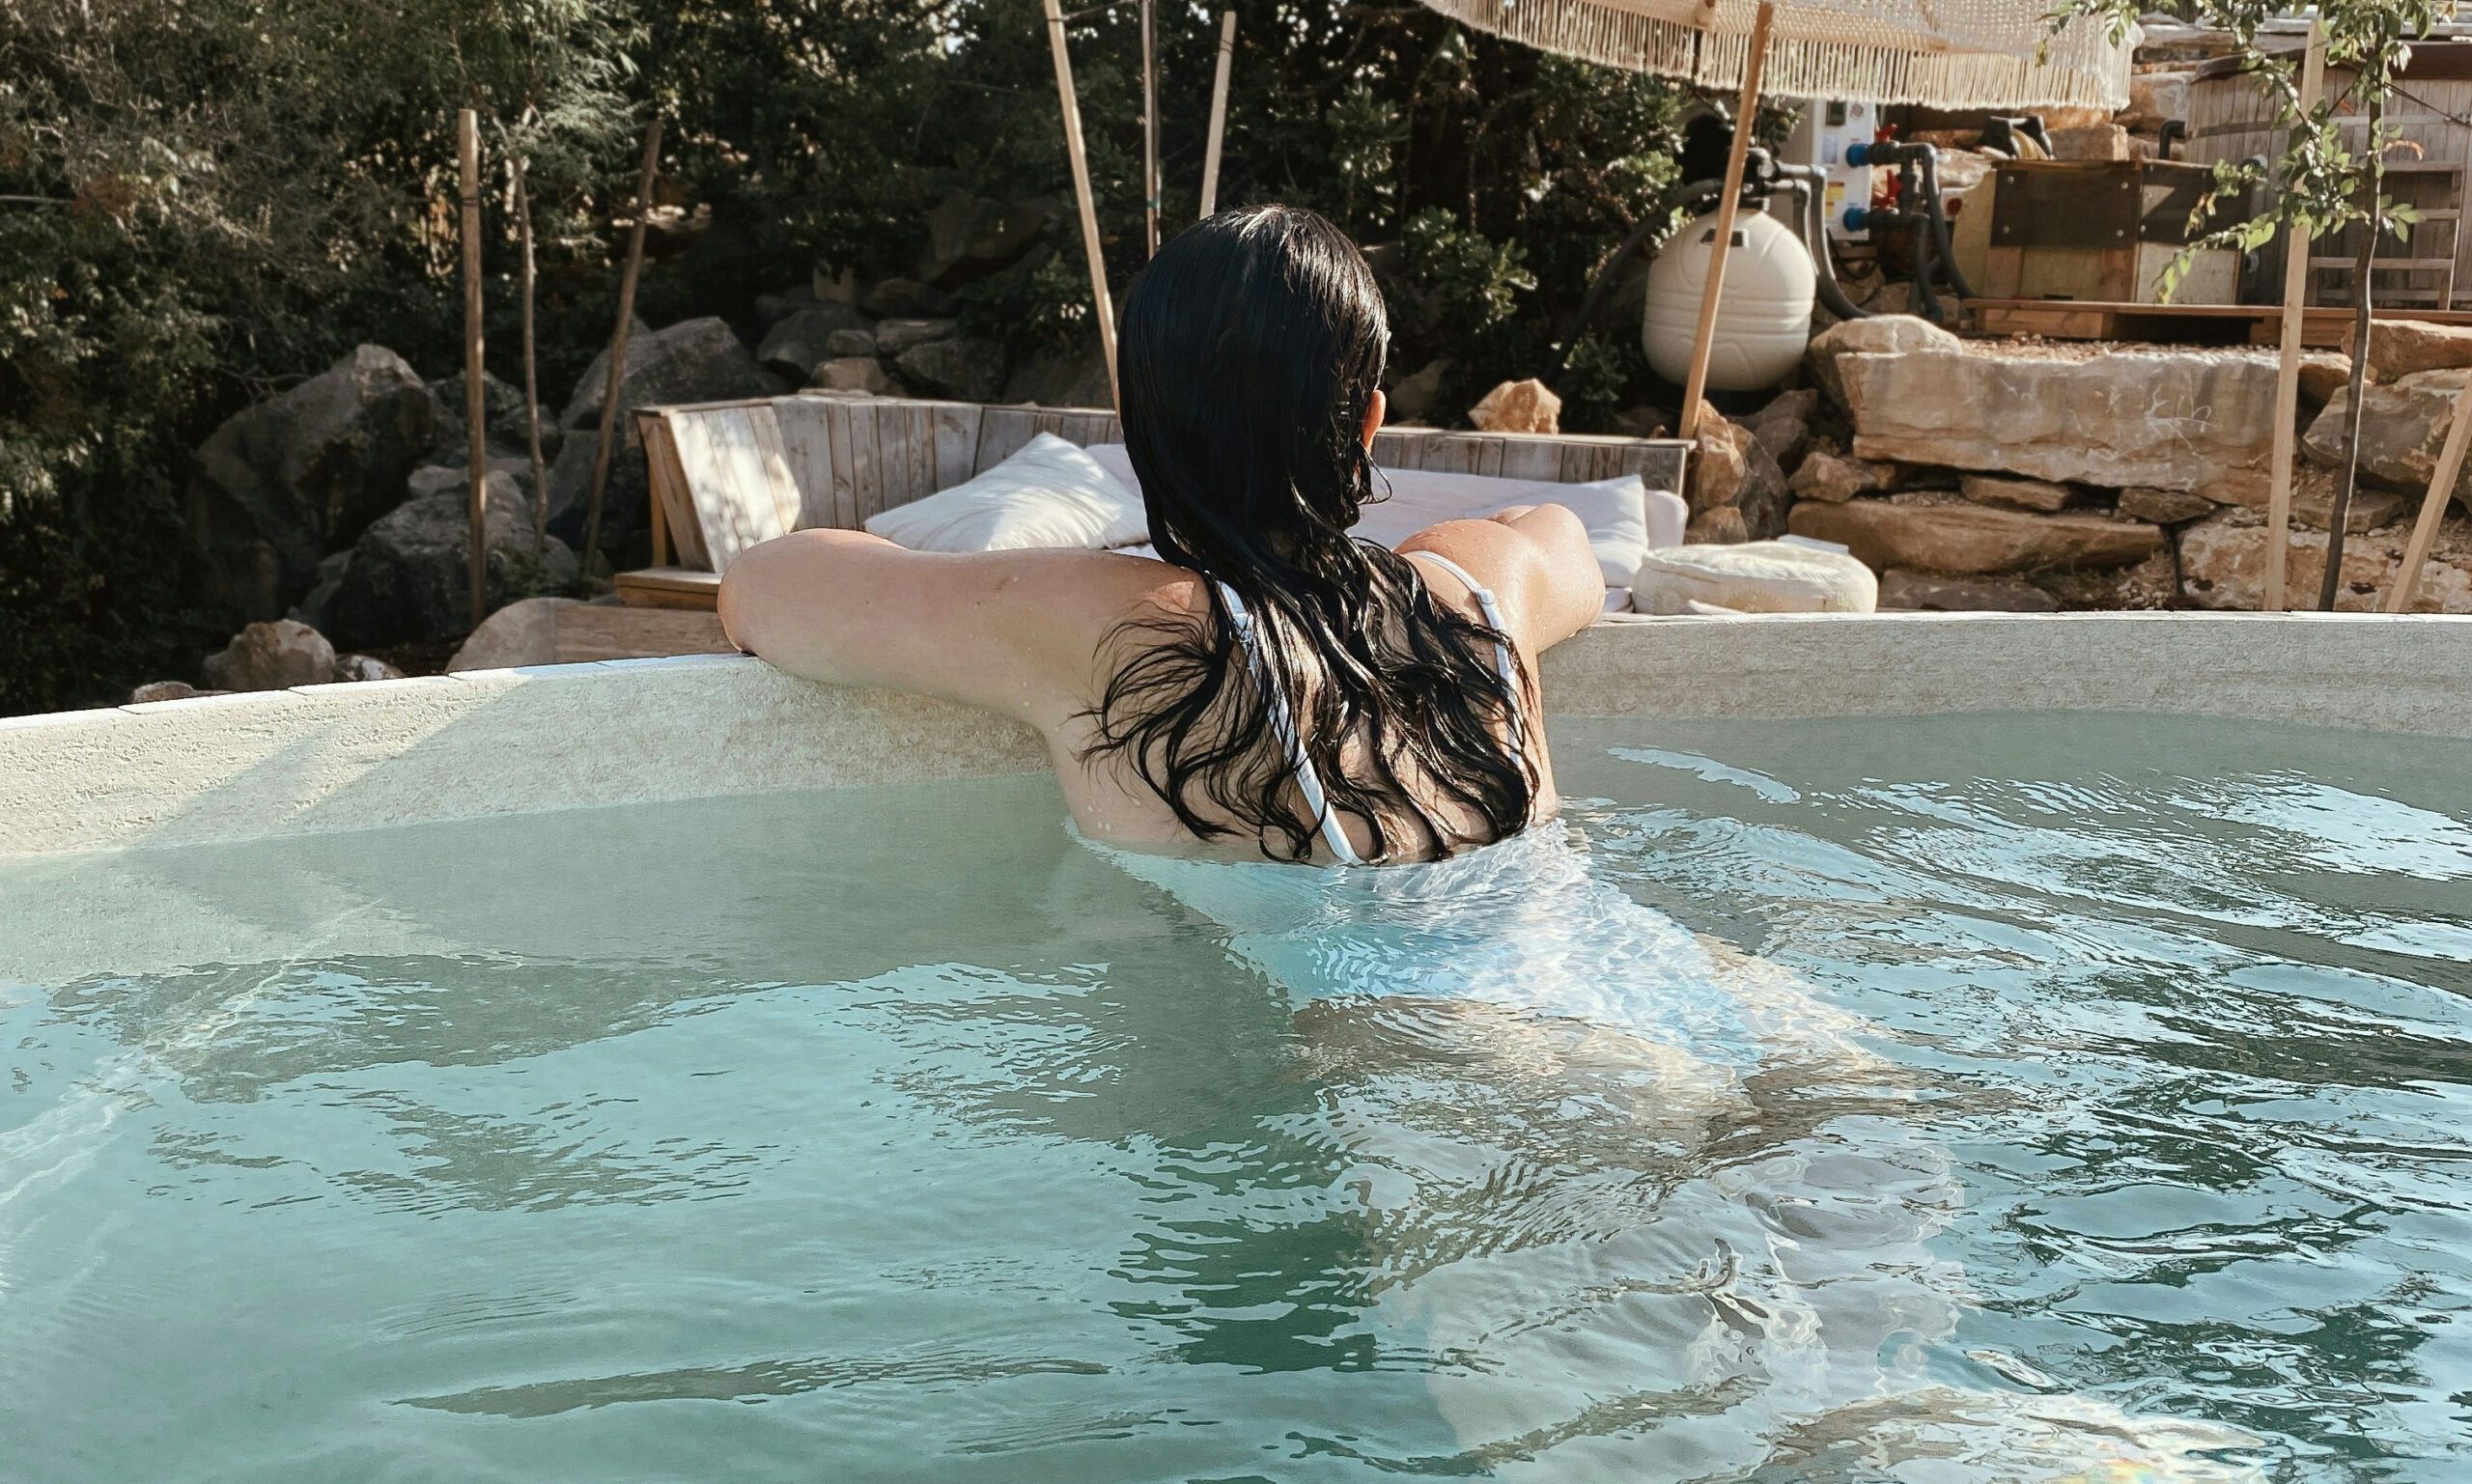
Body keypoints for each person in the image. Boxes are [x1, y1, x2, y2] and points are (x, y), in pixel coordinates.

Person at [718, 205, 1605, 865]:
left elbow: (759, 589)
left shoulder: (1114, 622)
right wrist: (1416, 559)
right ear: (1368, 422)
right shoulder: (1486, 595)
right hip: (1632, 998)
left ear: (1141, 425)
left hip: (1376, 1078)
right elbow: (1562, 534)